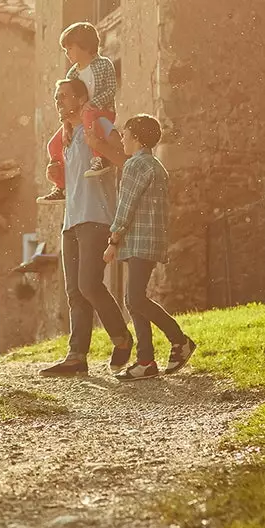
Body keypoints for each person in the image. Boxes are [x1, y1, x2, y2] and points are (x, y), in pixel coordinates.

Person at [40, 77, 135, 376]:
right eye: (56, 97)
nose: (58, 102)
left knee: (89, 284)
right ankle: (76, 356)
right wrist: (57, 174)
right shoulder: (65, 136)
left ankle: (122, 339)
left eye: (64, 96)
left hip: (98, 216)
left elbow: (124, 160)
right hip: (72, 220)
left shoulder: (100, 125)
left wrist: (97, 145)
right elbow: (73, 179)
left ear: (81, 99)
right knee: (74, 292)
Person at [103, 114, 196, 379]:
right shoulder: (156, 166)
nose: (122, 139)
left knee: (135, 299)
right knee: (134, 300)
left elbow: (126, 207)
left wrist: (113, 240)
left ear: (137, 137)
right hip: (150, 241)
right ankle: (146, 361)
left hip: (139, 241)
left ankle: (179, 340)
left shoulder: (135, 165)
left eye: (125, 134)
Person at [40, 22, 121, 201]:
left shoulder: (103, 65)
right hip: (82, 117)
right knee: (53, 144)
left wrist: (92, 104)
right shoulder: (72, 75)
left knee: (89, 115)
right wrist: (66, 124)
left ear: (85, 47)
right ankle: (61, 186)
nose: (67, 53)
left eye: (70, 48)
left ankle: (99, 159)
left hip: (102, 112)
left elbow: (111, 89)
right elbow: (69, 102)